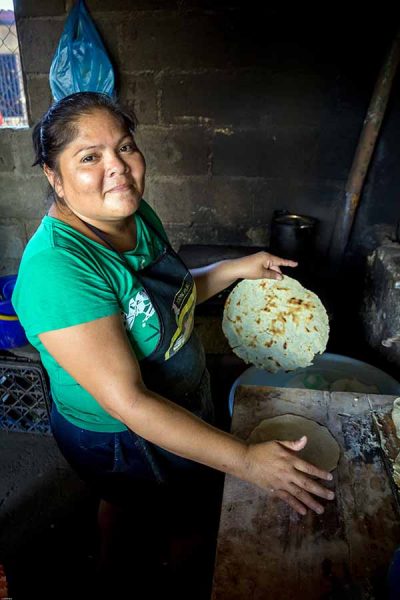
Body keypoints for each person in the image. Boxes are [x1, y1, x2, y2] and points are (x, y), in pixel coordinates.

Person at [12, 91, 334, 592]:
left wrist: (235, 268)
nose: (117, 167)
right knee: (189, 518)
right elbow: (129, 402)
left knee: (124, 505)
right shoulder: (60, 271)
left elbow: (168, 301)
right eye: (89, 157)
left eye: (125, 147)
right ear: (53, 175)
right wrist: (246, 460)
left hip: (173, 403)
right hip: (126, 436)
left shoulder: (133, 215)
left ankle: (112, 563)